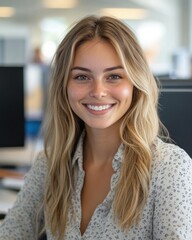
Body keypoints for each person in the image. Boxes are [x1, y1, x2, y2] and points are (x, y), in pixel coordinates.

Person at [0, 15, 192, 240]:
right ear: (64, 86)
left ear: (135, 84)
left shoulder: (169, 168)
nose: (98, 91)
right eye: (82, 76)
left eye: (114, 76)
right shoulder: (51, 164)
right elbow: (12, 232)